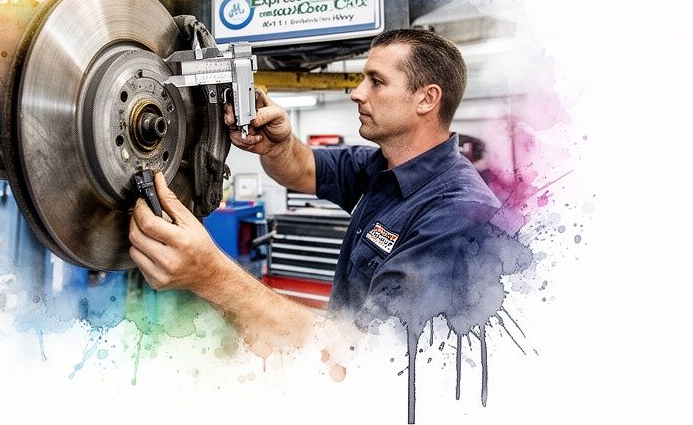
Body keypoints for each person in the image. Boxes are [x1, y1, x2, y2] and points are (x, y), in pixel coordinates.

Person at [127, 28, 509, 353]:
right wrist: (279, 145)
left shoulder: (460, 216)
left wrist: (211, 274)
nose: (357, 93)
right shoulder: (380, 166)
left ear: (427, 98)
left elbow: (368, 357)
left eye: (376, 82)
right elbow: (303, 168)